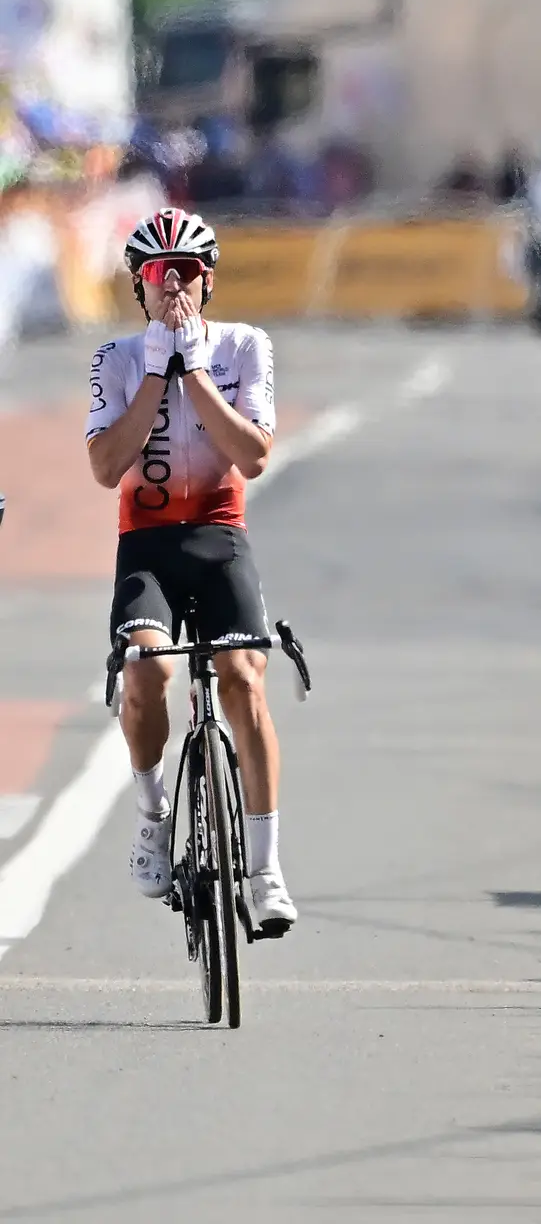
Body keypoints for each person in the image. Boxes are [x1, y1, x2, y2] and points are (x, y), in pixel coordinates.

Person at [84, 208, 295, 934]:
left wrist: (194, 365)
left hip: (218, 537)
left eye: (189, 274)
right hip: (147, 546)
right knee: (146, 675)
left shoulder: (244, 348)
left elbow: (254, 456)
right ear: (137, 286)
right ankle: (152, 815)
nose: (174, 287)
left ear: (209, 281)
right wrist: (153, 369)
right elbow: (106, 467)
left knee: (243, 677)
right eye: (156, 274)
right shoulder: (113, 359)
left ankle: (265, 871)